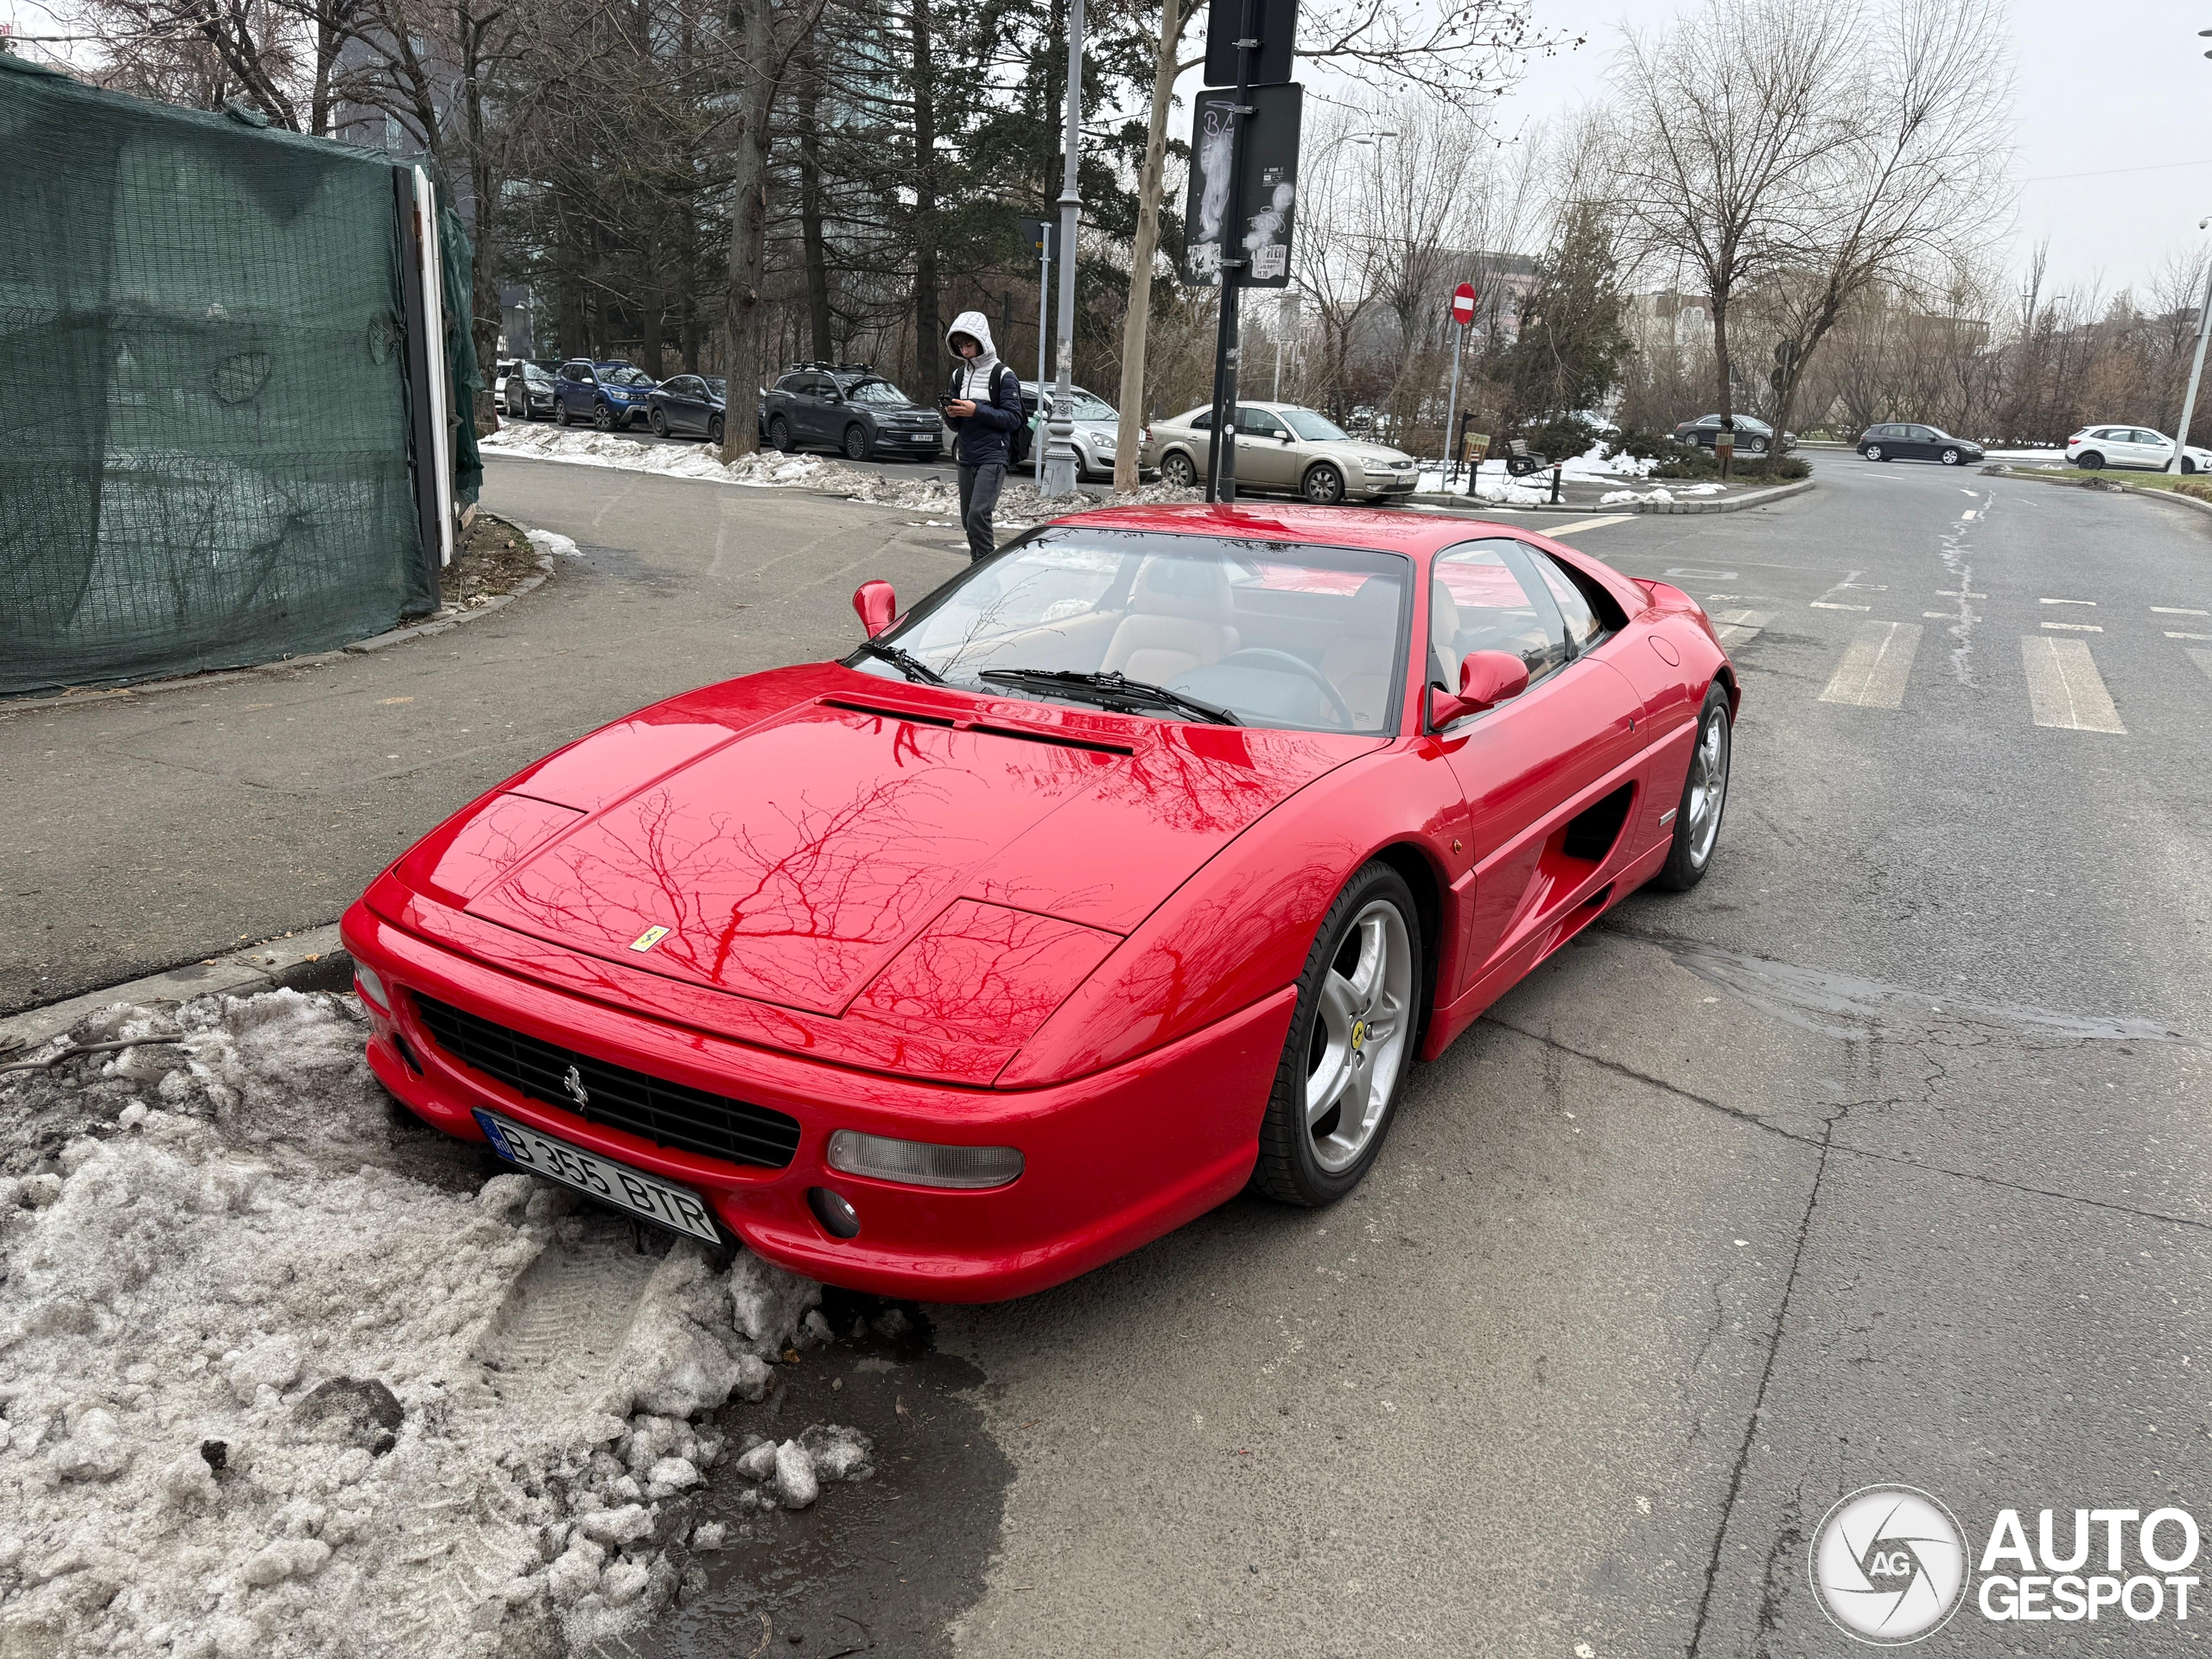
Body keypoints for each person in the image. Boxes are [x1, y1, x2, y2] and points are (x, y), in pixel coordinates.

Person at [942, 311, 1023, 562]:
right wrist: (950, 412)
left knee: (978, 514)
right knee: (969, 519)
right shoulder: (958, 376)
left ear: (981, 341)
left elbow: (1013, 418)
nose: (965, 351)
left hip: (993, 455)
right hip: (966, 455)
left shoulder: (1003, 375)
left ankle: (986, 572)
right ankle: (975, 570)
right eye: (960, 346)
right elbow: (955, 427)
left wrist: (975, 410)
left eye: (969, 344)